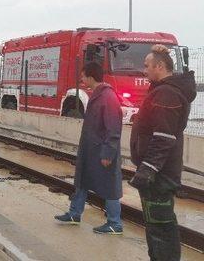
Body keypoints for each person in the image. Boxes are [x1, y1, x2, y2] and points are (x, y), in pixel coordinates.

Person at [129, 44, 196, 261]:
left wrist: (148, 170)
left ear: (159, 66)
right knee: (157, 225)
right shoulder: (164, 91)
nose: (144, 70)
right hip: (159, 174)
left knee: (161, 228)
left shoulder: (166, 93)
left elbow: (164, 137)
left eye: (147, 65)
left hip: (159, 176)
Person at [55, 61, 124, 234]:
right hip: (91, 150)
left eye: (83, 77)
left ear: (91, 77)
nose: (82, 80)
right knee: (82, 181)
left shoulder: (107, 98)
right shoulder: (98, 95)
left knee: (110, 186)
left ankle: (115, 223)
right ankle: (74, 213)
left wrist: (108, 153)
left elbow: (113, 128)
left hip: (102, 151)